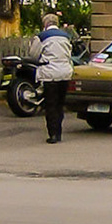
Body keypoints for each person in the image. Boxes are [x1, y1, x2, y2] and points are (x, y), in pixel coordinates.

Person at [30, 9, 77, 144]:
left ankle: (53, 134)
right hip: (65, 73)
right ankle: (59, 132)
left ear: (45, 24)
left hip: (50, 74)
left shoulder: (42, 36)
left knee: (51, 105)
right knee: (60, 104)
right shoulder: (66, 36)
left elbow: (34, 54)